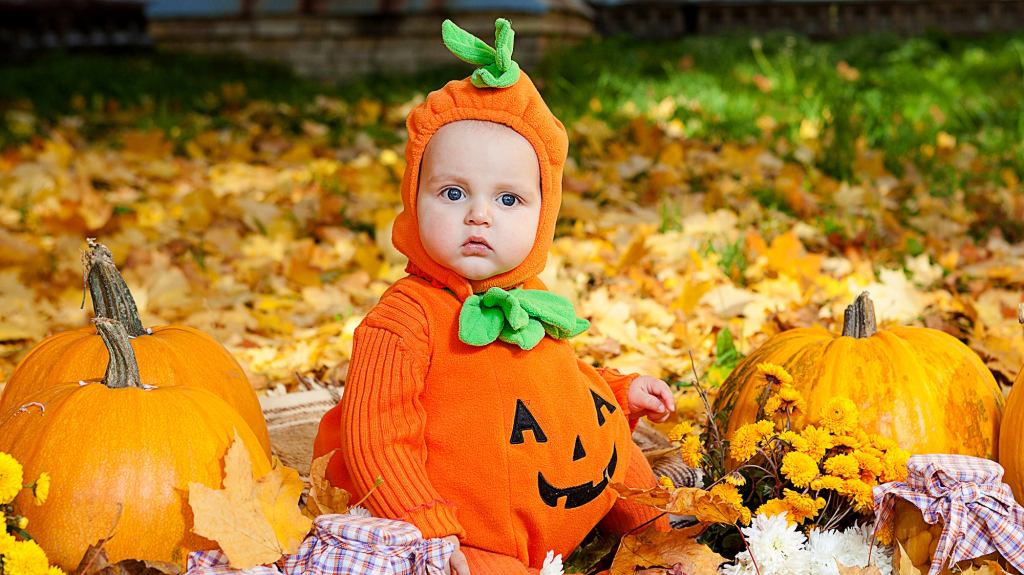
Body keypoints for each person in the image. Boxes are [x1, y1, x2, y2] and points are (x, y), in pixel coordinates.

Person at [313, 18, 675, 575]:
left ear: (542, 215)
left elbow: (562, 386)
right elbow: (375, 439)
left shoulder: (532, 297)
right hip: (469, 528)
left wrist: (622, 393)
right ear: (414, 198)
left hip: (559, 487)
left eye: (508, 200)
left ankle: (662, 536)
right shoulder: (404, 321)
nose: (479, 215)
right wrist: (428, 529)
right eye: (453, 193)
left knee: (615, 453)